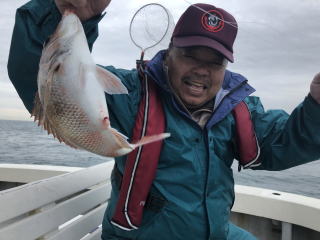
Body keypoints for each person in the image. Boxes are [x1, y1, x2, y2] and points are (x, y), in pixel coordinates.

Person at [7, 0, 320, 239]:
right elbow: (49, 83)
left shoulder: (239, 110)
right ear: (169, 52)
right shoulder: (131, 94)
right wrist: (62, 12)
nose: (201, 70)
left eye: (214, 62)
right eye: (190, 55)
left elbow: (285, 143)